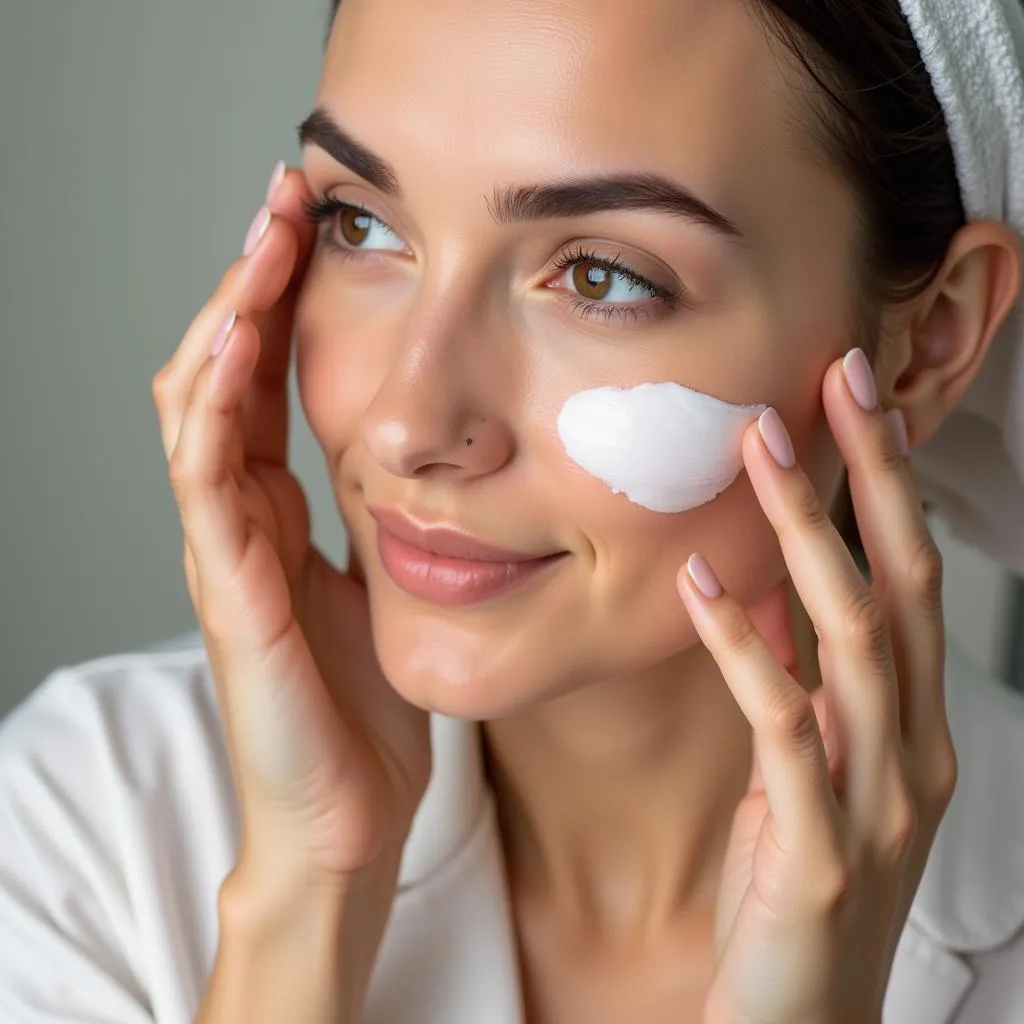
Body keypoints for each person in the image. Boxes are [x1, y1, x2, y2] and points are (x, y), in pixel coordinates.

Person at [1, 0, 1023, 1021]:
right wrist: (305, 898)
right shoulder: (84, 827)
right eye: (360, 224)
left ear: (928, 338)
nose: (406, 422)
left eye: (600, 276)